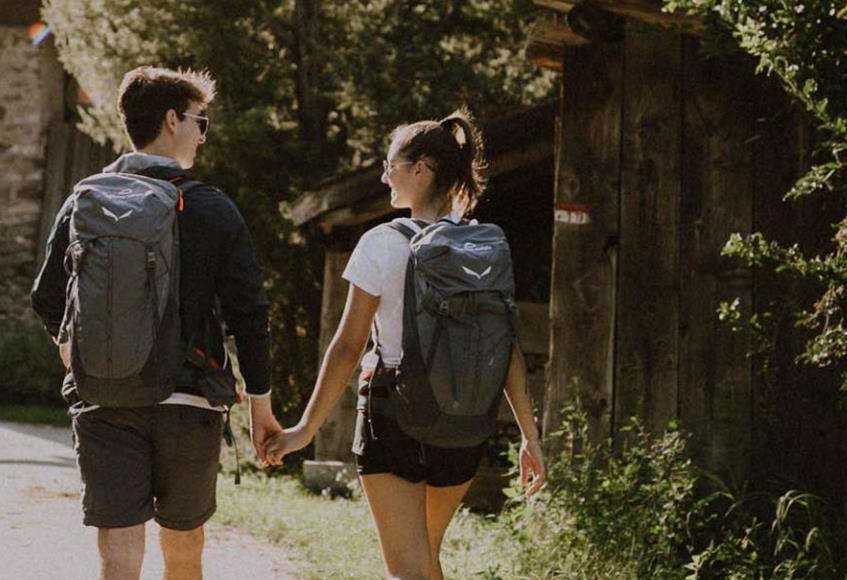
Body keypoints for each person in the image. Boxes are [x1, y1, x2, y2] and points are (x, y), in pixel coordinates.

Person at [264, 109, 547, 580]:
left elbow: (348, 346)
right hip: (464, 425)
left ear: (421, 169)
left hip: (392, 417)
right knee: (425, 560)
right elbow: (508, 348)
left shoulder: (382, 242)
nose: (383, 176)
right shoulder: (484, 249)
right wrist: (529, 437)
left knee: (408, 570)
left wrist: (305, 429)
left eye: (390, 165)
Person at [30, 66, 280, 580]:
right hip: (188, 401)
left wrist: (75, 348)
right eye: (200, 122)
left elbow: (46, 297)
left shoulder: (86, 199)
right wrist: (261, 407)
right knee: (184, 548)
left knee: (119, 554)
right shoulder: (211, 207)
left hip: (105, 395)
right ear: (172, 120)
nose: (202, 134)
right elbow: (250, 316)